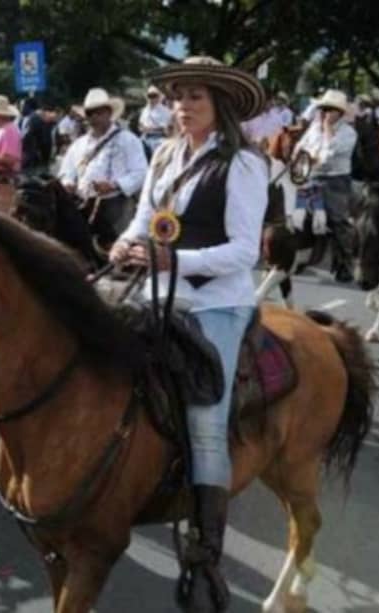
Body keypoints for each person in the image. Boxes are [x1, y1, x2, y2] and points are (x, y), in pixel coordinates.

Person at [109, 56, 268, 613]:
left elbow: (245, 252)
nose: (182, 106)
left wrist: (170, 258)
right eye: (177, 97)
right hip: (159, 291)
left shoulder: (245, 164)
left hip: (216, 302)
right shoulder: (165, 154)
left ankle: (205, 556)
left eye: (194, 97)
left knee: (205, 423)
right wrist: (125, 245)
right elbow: (142, 218)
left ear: (219, 105)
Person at [58, 87, 147, 250]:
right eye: (90, 113)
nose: (94, 117)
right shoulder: (78, 144)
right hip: (83, 204)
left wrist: (114, 185)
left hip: (117, 205)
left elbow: (141, 172)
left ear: (109, 113)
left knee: (118, 249)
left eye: (99, 113)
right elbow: (66, 172)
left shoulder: (128, 140)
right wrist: (68, 183)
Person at [293, 89, 358, 282]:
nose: (325, 113)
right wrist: (298, 160)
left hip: (335, 179)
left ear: (340, 112)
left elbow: (331, 154)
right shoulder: (314, 128)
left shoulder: (348, 133)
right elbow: (300, 147)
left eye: (330, 109)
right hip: (309, 176)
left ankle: (347, 262)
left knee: (338, 220)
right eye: (323, 108)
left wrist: (328, 129)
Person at [138, 85, 173, 156]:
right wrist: (142, 128)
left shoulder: (165, 111)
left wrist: (151, 129)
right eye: (150, 96)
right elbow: (141, 123)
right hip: (144, 137)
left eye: (154, 96)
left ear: (158, 97)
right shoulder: (145, 110)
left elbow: (166, 127)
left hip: (159, 138)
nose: (151, 98)